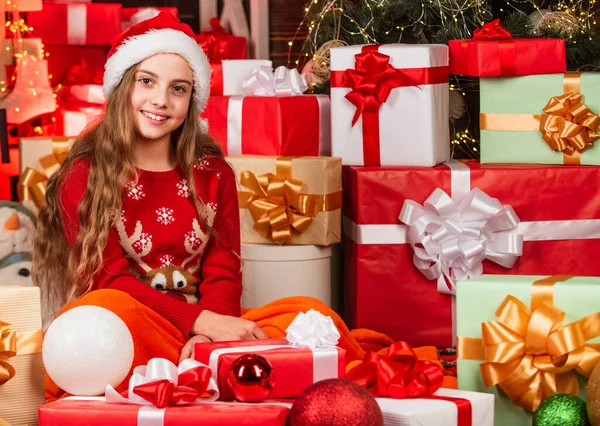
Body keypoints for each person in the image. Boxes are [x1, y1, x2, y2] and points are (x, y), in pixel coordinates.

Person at [34, 12, 449, 402]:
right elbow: (110, 279)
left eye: (178, 88)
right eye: (147, 81)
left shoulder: (212, 171)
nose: (160, 100)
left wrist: (211, 335)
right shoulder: (85, 174)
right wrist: (199, 324)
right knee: (104, 311)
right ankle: (203, 368)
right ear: (123, 85)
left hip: (209, 324)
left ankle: (202, 365)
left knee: (310, 314)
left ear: (192, 99)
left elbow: (222, 269)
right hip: (134, 326)